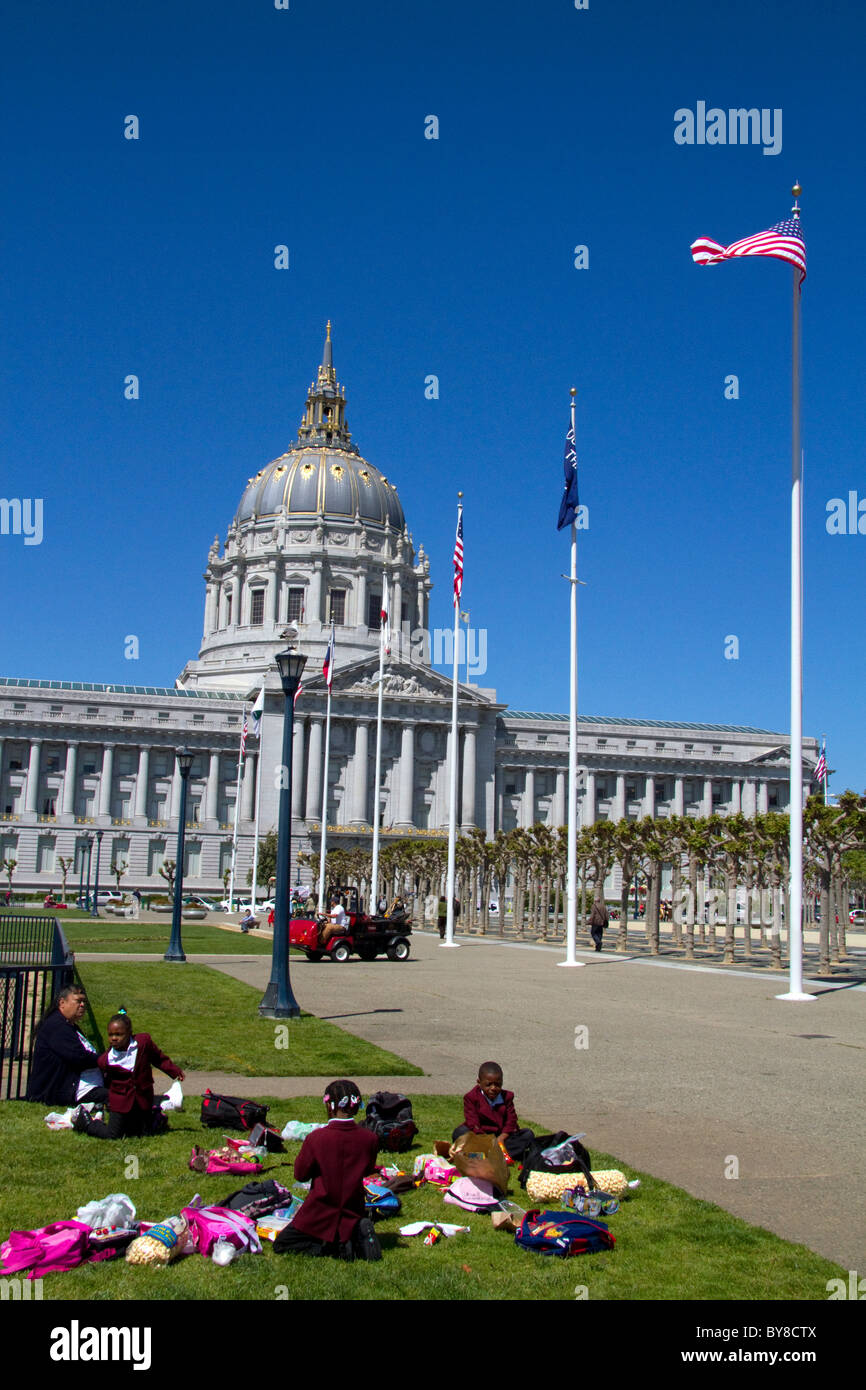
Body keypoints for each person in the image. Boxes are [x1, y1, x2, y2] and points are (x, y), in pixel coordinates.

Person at [273, 1079, 381, 1261]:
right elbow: (368, 1169)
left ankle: (333, 1248)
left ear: (329, 1106)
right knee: (345, 1227)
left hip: (319, 1211)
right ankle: (351, 1236)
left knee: (282, 1244)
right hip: (353, 1209)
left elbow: (300, 1174)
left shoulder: (317, 1138)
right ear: (356, 1107)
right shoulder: (369, 1139)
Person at [73, 1011, 185, 1139]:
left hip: (143, 1097)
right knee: (113, 1134)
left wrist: (174, 1071)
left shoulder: (143, 1043)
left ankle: (154, 1117)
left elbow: (158, 1058)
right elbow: (108, 1081)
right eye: (110, 1035)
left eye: (119, 1034)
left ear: (129, 1033)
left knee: (141, 1133)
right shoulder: (105, 1060)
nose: (114, 1038)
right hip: (120, 1102)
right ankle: (86, 1122)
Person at [25, 985, 108, 1107]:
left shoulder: (69, 1025)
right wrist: (105, 1060)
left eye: (84, 1001)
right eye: (78, 1001)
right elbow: (79, 1057)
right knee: (118, 1098)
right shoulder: (56, 1026)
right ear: (62, 1003)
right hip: (67, 1091)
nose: (82, 1005)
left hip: (86, 1086)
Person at [451, 1061, 535, 1159]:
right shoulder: (471, 1098)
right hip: (480, 1136)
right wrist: (486, 1140)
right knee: (460, 1132)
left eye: (497, 1084)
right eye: (488, 1085)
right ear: (479, 1082)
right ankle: (495, 1154)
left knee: (528, 1134)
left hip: (500, 1138)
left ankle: (486, 1155)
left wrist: (502, 1137)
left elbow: (511, 1121)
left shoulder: (506, 1097)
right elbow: (472, 1123)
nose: (493, 1088)